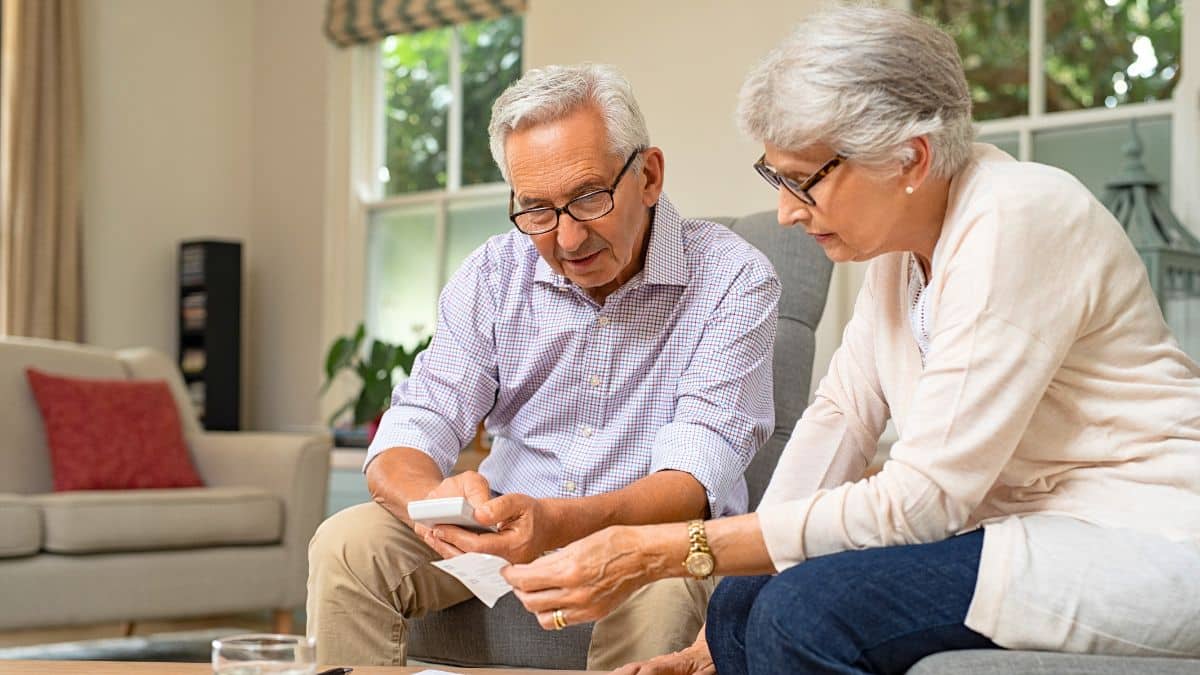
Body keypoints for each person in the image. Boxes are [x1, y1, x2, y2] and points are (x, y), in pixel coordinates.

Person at [501, 7, 1200, 674]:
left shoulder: (1020, 217)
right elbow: (837, 421)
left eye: (803, 181)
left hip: (1140, 538)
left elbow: (923, 499)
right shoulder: (901, 258)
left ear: (911, 159)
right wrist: (715, 629)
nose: (784, 210)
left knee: (804, 614)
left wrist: (661, 550)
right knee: (744, 600)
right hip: (1022, 535)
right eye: (776, 177)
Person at [305, 63, 783, 669]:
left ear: (650, 175)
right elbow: (418, 420)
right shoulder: (493, 274)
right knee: (348, 545)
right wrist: (435, 504)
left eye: (588, 198)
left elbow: (692, 480)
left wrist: (558, 524)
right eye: (535, 209)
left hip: (649, 540)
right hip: (501, 528)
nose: (567, 239)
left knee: (667, 584)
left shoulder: (733, 278)